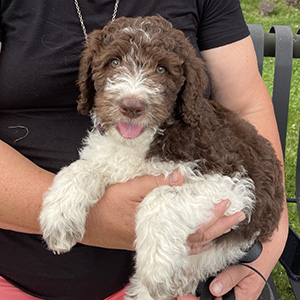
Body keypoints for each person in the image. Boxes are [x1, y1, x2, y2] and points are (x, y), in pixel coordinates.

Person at [0, 0, 288, 299]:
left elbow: (247, 113)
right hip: (12, 272)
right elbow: (101, 165)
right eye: (114, 63)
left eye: (161, 69)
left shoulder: (194, 141)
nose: (133, 93)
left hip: (180, 280)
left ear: (187, 87)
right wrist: (92, 217)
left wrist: (265, 250)